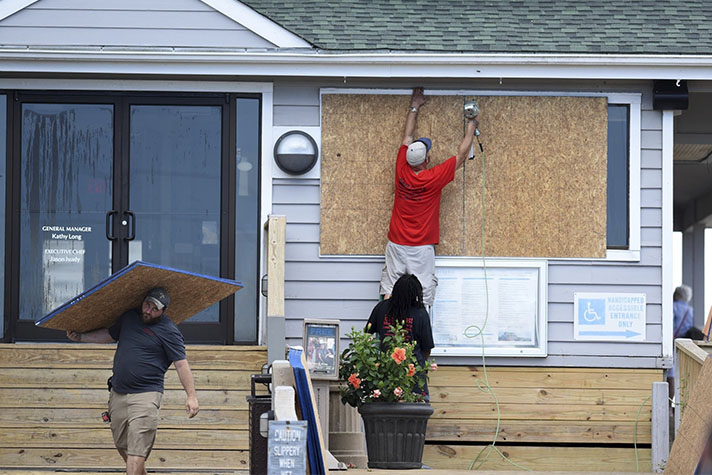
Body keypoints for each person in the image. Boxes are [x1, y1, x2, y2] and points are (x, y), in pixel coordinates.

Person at [66, 287, 198, 475]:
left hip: (146, 396)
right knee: (124, 448)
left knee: (137, 453)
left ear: (163, 311)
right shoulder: (129, 318)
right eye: (147, 305)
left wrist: (191, 396)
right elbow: (110, 335)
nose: (149, 311)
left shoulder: (169, 331)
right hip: (118, 393)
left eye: (154, 309)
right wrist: (81, 337)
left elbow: (181, 364)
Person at [380, 87, 480, 307]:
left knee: (389, 290)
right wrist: (472, 124)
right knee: (423, 294)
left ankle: (386, 335)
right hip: (421, 247)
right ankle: (420, 335)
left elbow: (407, 135)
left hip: (396, 243)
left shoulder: (401, 168)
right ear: (426, 160)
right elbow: (462, 155)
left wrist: (415, 104)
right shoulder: (434, 177)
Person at [367, 274, 435, 396]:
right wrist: (422, 366)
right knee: (417, 409)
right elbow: (427, 348)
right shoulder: (420, 313)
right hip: (413, 374)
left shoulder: (382, 308)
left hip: (386, 372)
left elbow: (367, 335)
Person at [667, 285, 695, 404]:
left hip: (672, 341)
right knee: (683, 372)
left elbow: (670, 326)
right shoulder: (690, 310)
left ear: (677, 295)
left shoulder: (673, 307)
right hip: (684, 343)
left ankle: (669, 406)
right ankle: (680, 404)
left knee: (670, 373)